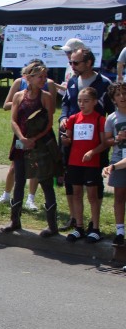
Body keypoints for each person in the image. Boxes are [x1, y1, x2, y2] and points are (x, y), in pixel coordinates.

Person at [0, 61, 62, 237]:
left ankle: (52, 225)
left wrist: (34, 139)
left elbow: (49, 123)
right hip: (21, 142)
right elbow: (13, 120)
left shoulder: (46, 97)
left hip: (41, 144)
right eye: (40, 77)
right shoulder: (19, 96)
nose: (43, 80)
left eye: (45, 76)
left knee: (45, 181)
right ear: (29, 78)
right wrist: (22, 138)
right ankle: (15, 220)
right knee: (19, 180)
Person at [59, 48, 113, 230]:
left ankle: (94, 222)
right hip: (71, 137)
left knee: (94, 182)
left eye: (76, 62)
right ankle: (75, 218)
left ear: (89, 63)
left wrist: (108, 134)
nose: (72, 66)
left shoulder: (104, 83)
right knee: (71, 180)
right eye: (70, 62)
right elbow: (66, 103)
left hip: (96, 141)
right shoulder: (72, 81)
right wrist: (63, 118)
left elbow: (112, 111)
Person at [61, 87, 106, 242]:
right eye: (79, 101)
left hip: (92, 163)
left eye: (86, 101)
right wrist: (65, 140)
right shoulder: (73, 118)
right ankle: (79, 227)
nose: (82, 104)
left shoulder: (99, 119)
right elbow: (68, 140)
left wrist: (92, 152)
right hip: (75, 162)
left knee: (92, 195)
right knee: (77, 193)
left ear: (94, 102)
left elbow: (104, 143)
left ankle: (95, 228)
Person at [103, 83, 126, 245]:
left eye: (124, 93)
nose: (122, 97)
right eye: (118, 95)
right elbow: (106, 140)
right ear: (113, 99)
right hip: (118, 159)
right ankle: (119, 231)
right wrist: (117, 139)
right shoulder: (111, 118)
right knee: (119, 196)